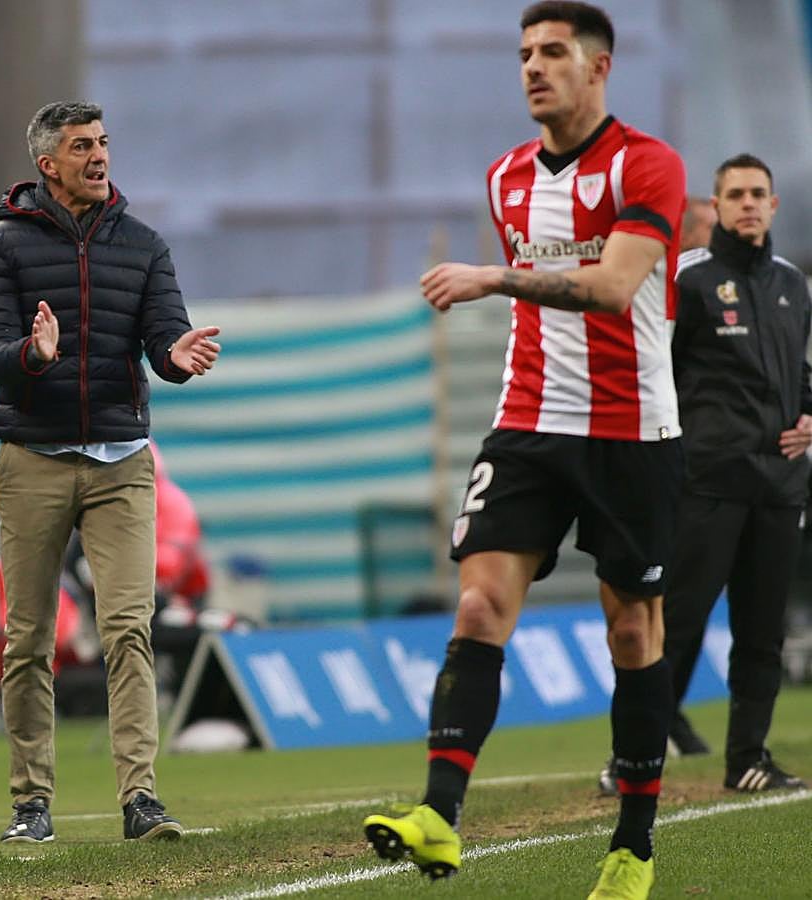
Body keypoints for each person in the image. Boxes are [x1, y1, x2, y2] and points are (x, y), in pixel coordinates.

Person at [361, 5, 685, 898]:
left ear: (600, 67)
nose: (533, 68)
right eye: (524, 55)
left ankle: (633, 847)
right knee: (477, 609)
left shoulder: (644, 163)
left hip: (632, 433)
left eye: (552, 53)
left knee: (630, 631)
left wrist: (492, 276)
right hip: (530, 424)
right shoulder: (506, 176)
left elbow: (618, 289)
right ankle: (438, 815)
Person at [0, 100, 221, 844]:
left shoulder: (144, 245)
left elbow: (165, 332)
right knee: (28, 639)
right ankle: (31, 805)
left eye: (103, 142)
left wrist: (174, 356)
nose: (99, 155)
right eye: (82, 146)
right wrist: (32, 357)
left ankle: (141, 800)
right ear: (47, 165)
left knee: (129, 629)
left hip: (120, 461)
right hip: (33, 461)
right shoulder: (2, 246)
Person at [616, 154, 807, 791]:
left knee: (762, 635)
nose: (749, 204)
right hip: (707, 483)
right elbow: (652, 368)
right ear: (717, 207)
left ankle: (747, 759)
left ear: (773, 205)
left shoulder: (792, 283)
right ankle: (632, 759)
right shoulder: (688, 279)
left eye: (759, 193)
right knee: (678, 624)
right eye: (737, 195)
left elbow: (799, 376)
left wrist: (810, 415)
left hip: (779, 486)